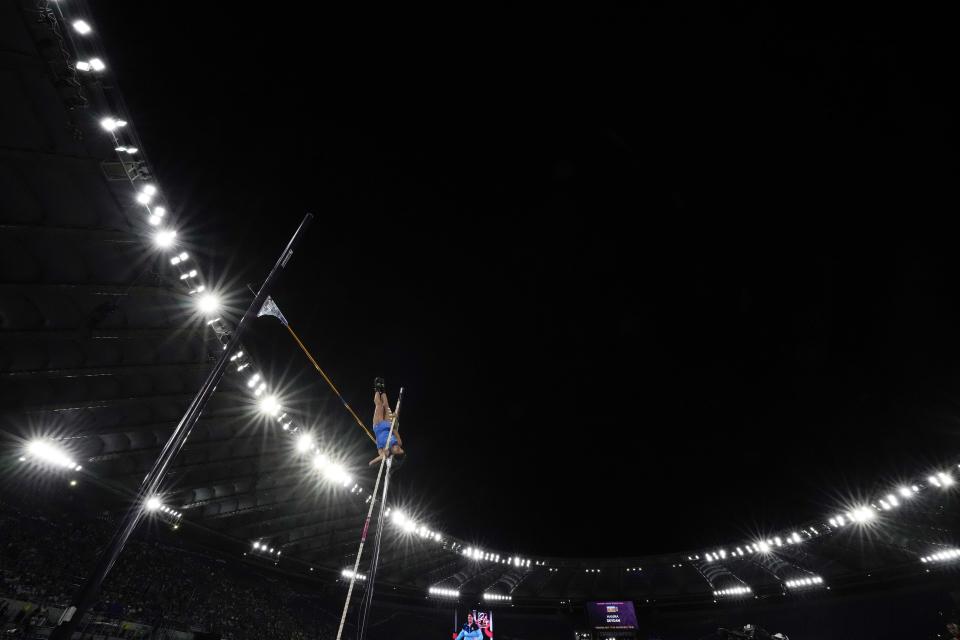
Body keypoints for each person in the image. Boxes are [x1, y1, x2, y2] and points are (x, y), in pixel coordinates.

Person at [369, 378, 404, 466]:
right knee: (386, 404)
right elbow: (395, 430)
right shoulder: (399, 442)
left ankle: (377, 388)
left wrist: (380, 458)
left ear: (394, 455)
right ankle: (383, 389)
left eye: (398, 450)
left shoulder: (386, 452)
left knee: (379, 405)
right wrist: (395, 418)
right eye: (401, 449)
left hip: (378, 426)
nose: (399, 448)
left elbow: (372, 463)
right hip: (388, 425)